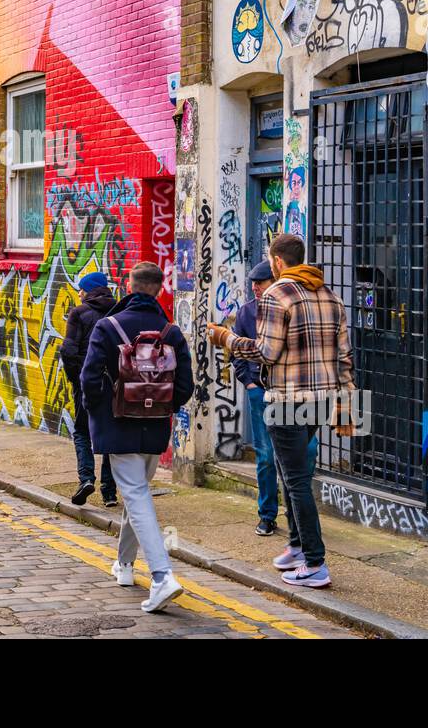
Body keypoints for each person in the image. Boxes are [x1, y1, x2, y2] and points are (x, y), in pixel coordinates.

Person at [208, 233, 354, 590]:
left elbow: (266, 353)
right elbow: (345, 356)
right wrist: (346, 404)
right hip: (321, 399)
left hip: (287, 400)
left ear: (276, 262)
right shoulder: (330, 296)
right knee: (293, 474)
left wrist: (225, 338)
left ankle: (315, 563)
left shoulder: (277, 295)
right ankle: (296, 547)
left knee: (297, 480)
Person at [80, 261, 194, 613]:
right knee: (137, 493)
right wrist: (159, 407)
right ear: (160, 289)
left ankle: (162, 576)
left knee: (137, 496)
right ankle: (125, 566)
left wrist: (101, 411)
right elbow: (185, 386)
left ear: (129, 285)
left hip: (119, 426)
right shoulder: (171, 332)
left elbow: (89, 378)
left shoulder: (108, 326)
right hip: (155, 428)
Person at [232, 259, 319, 537]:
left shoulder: (294, 307)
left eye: (261, 282)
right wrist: (248, 382)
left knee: (306, 451)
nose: (256, 288)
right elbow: (238, 352)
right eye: (253, 284)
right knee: (266, 456)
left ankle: (295, 513)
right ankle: (267, 514)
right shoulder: (247, 312)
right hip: (261, 391)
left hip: (294, 391)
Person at [59, 271, 118, 508]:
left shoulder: (79, 313)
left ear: (90, 289)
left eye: (82, 289)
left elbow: (69, 351)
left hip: (87, 382)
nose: (79, 293)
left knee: (82, 430)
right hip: (114, 384)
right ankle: (109, 492)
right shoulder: (119, 311)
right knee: (111, 436)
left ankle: (86, 479)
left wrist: (77, 379)